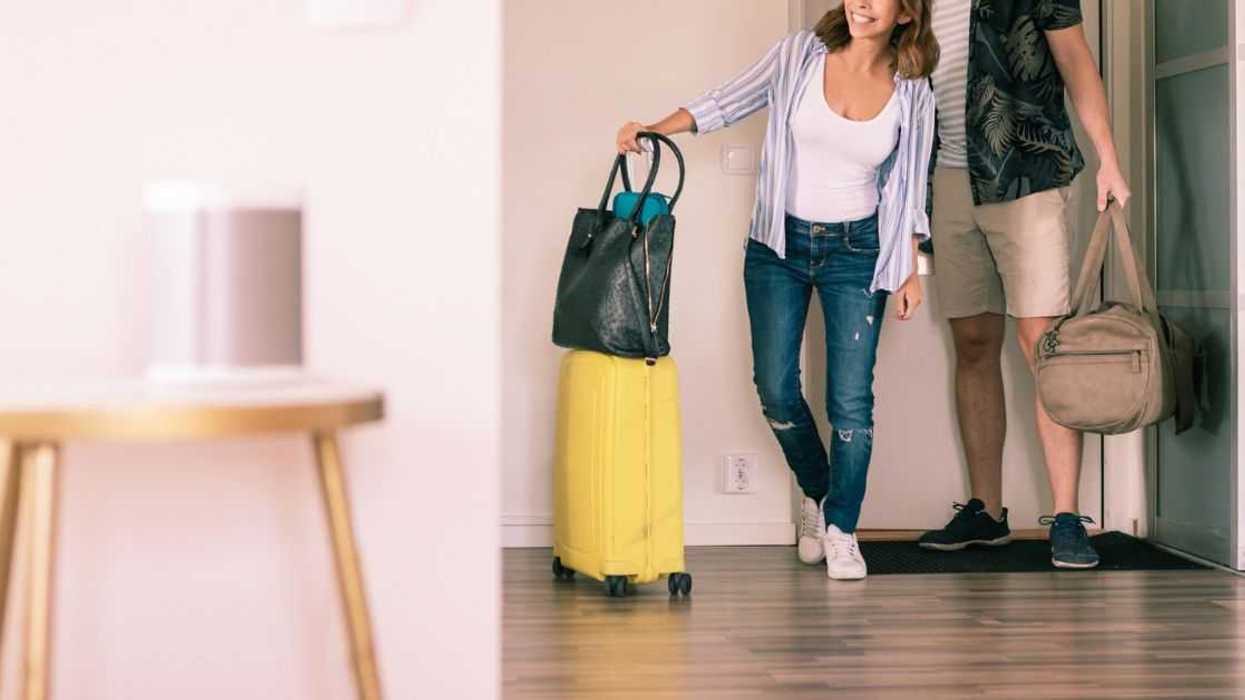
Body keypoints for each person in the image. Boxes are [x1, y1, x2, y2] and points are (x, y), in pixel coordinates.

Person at [616, 0, 938, 580]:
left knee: (851, 403)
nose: (861, 2)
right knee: (776, 389)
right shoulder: (799, 55)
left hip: (858, 252)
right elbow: (726, 100)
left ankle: (842, 527)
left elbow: (911, 183)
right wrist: (652, 128)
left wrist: (913, 267)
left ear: (907, 14)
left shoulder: (914, 90)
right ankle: (819, 492)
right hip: (777, 247)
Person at [916, 0, 1131, 569]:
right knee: (973, 344)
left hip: (1026, 174)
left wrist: (1107, 157)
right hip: (949, 179)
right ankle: (987, 512)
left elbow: (1076, 60)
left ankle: (1066, 515)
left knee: (1044, 346)